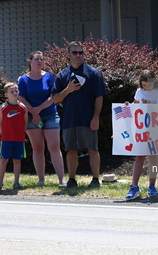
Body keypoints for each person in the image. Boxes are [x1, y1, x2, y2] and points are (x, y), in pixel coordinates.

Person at [52, 41, 107, 188]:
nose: (78, 55)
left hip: (88, 118)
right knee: (70, 150)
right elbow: (55, 98)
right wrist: (68, 90)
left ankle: (95, 179)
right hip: (69, 119)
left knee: (93, 149)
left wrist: (95, 117)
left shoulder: (92, 73)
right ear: (69, 54)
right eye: (75, 52)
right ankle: (72, 180)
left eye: (80, 52)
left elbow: (99, 97)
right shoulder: (62, 75)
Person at [18, 51, 66, 186]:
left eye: (41, 60)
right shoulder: (23, 79)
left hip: (50, 114)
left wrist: (39, 109)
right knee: (38, 148)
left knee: (54, 147)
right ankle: (41, 180)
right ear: (30, 61)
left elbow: (53, 96)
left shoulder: (49, 77)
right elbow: (22, 99)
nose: (40, 62)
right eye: (37, 59)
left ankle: (62, 179)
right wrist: (34, 113)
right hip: (32, 117)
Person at [125, 70, 158, 200]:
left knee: (153, 157)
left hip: (156, 128)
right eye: (144, 85)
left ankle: (152, 185)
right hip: (142, 129)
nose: (146, 87)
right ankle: (134, 186)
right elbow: (136, 105)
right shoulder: (139, 92)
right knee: (139, 156)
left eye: (148, 85)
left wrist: (155, 106)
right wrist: (129, 105)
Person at [0, 82, 28, 192]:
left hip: (19, 139)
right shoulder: (3, 108)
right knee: (4, 159)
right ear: (6, 94)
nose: (15, 93)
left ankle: (16, 182)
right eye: (12, 91)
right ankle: (0, 183)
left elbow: (25, 123)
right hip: (6, 139)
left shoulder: (23, 107)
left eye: (16, 91)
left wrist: (20, 133)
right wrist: (5, 134)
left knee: (17, 160)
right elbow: (1, 123)